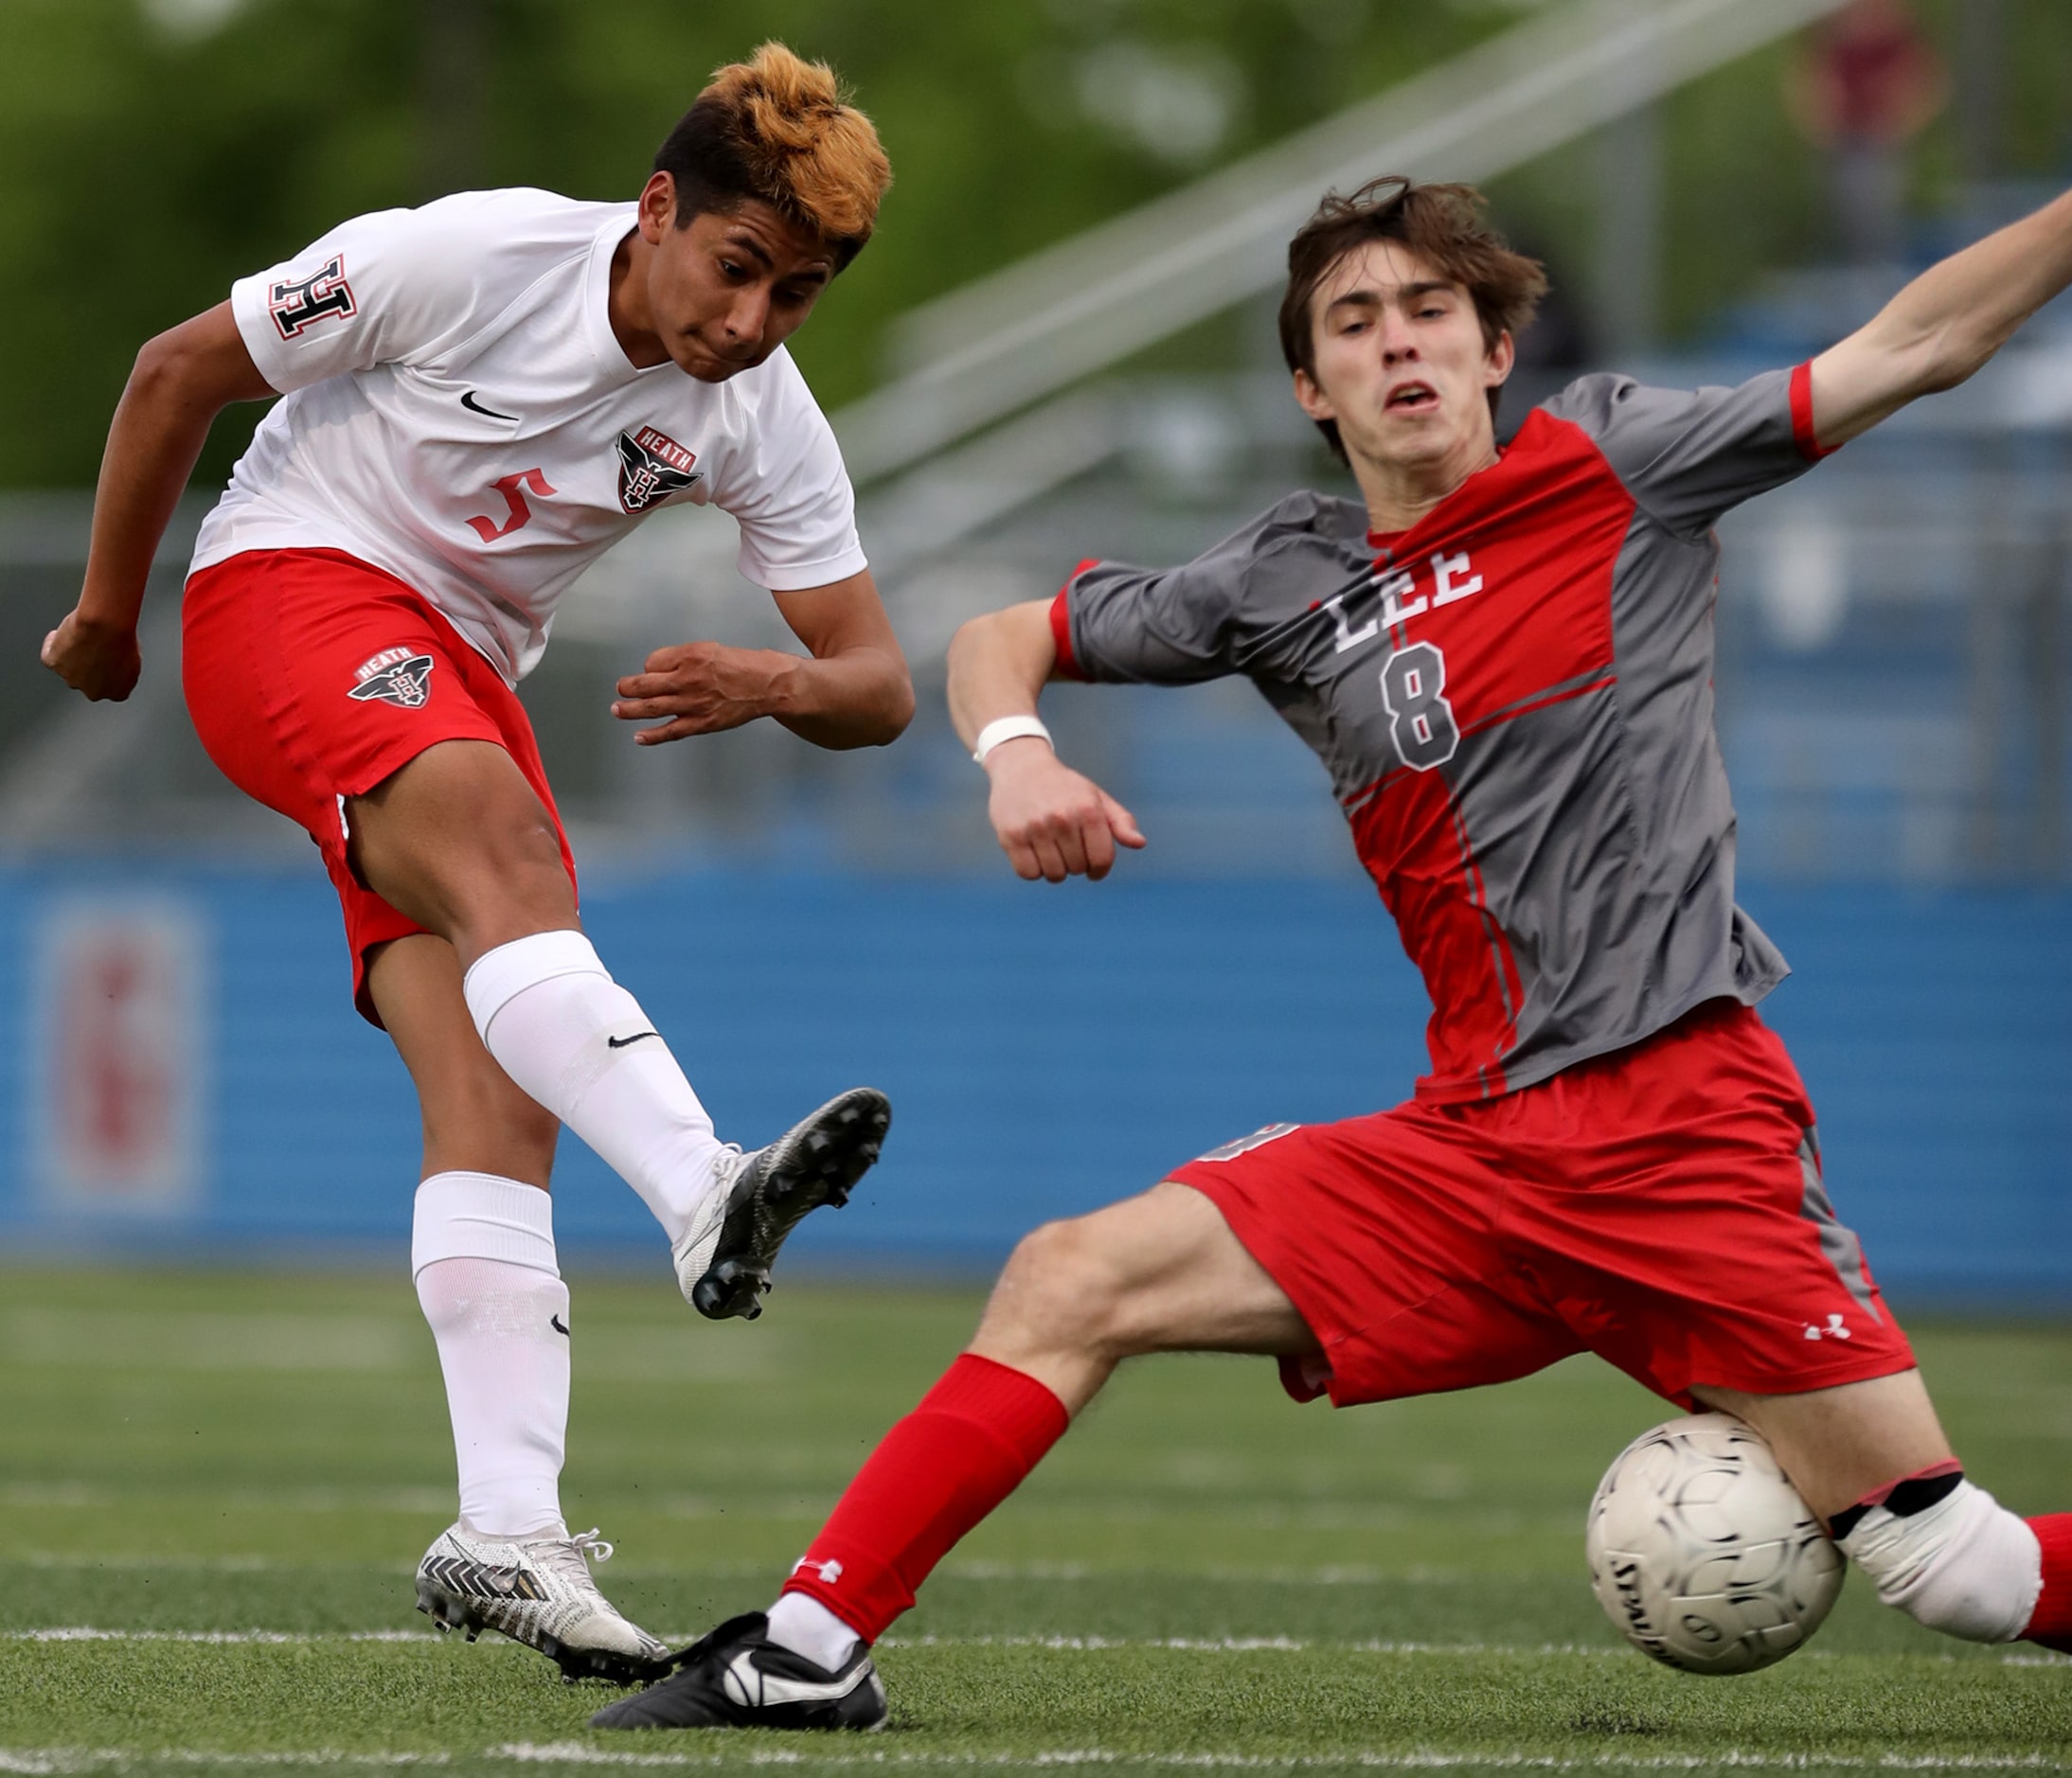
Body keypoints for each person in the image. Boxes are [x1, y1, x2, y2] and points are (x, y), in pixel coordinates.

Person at [593, 173, 2072, 1732]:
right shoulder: (1283, 577)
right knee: (1069, 1274)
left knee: (1953, 1570)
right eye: (1354, 322)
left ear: (1500, 348)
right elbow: (992, 637)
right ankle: (807, 1649)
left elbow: (1921, 337)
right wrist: (1016, 754)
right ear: (1311, 384)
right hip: (1473, 1152)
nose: (1400, 343)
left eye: (1434, 310)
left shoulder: (1619, 462)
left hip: (1678, 1135)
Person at [40, 45, 910, 1685]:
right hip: (287, 590)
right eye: (738, 269)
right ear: (657, 211)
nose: (751, 323)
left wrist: (778, 682)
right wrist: (105, 613)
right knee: (516, 857)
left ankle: (504, 1527)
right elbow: (175, 371)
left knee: (503, 1078)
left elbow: (878, 685)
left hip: (455, 675)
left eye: (794, 296)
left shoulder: (756, 409)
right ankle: (702, 1186)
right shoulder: (469, 256)